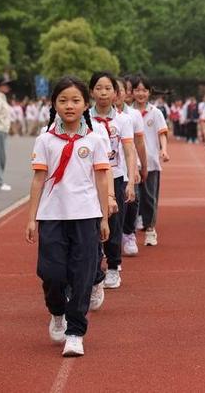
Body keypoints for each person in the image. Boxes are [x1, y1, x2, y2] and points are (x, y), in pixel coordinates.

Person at [25, 76, 110, 357]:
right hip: (52, 216)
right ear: (54, 104)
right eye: (63, 100)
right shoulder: (45, 139)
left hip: (85, 215)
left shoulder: (95, 139)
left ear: (86, 104)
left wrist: (104, 217)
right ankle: (57, 311)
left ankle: (75, 332)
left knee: (82, 274)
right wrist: (31, 217)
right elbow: (38, 179)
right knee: (51, 273)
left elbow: (101, 179)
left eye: (75, 100)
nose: (69, 106)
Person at [89, 72, 136, 290]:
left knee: (114, 224)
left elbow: (128, 150)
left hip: (115, 178)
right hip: (90, 180)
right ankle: (94, 267)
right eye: (98, 88)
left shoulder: (124, 120)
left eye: (108, 88)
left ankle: (114, 267)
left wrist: (130, 181)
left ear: (116, 93)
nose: (103, 92)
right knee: (92, 223)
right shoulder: (85, 119)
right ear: (91, 92)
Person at [132, 76, 170, 246]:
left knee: (149, 197)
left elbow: (162, 133)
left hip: (152, 161)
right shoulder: (127, 113)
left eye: (144, 90)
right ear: (131, 92)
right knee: (131, 198)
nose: (141, 93)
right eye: (137, 90)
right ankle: (129, 231)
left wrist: (164, 149)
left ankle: (150, 229)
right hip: (130, 162)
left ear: (149, 92)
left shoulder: (156, 112)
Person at [115, 78, 147, 257]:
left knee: (131, 200)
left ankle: (128, 233)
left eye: (121, 90)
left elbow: (139, 144)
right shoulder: (93, 116)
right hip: (108, 167)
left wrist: (143, 166)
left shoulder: (133, 115)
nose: (117, 94)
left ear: (126, 93)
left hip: (130, 164)